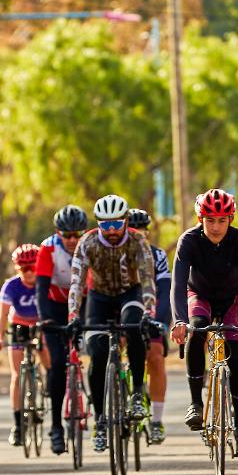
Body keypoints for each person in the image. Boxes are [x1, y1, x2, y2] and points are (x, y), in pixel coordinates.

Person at [172, 188, 238, 460]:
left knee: (237, 359)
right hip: (199, 295)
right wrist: (179, 320)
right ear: (200, 219)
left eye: (222, 220)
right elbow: (178, 283)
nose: (215, 227)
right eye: (209, 220)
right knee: (196, 329)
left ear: (230, 219)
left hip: (235, 298)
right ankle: (195, 403)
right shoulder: (189, 241)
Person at [67, 194, 157, 454]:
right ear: (98, 224)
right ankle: (100, 420)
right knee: (96, 353)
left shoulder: (138, 241)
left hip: (131, 292)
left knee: (134, 326)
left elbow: (147, 278)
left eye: (117, 224)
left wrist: (149, 311)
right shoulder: (87, 242)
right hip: (100, 297)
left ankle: (137, 391)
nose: (112, 230)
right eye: (105, 225)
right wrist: (73, 316)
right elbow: (76, 282)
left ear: (126, 221)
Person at [34, 204, 88, 455]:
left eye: (77, 234)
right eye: (67, 235)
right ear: (58, 233)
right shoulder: (48, 248)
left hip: (84, 303)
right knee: (56, 363)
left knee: (96, 349)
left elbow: (94, 286)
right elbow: (41, 288)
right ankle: (56, 426)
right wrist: (45, 319)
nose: (72, 240)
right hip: (55, 307)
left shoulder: (91, 245)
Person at [0, 244, 45, 446]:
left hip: (41, 324)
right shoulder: (10, 286)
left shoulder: (45, 282)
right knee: (16, 374)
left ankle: (47, 386)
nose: (29, 272)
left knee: (47, 352)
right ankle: (18, 426)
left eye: (33, 267)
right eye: (24, 268)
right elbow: (2, 317)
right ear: (17, 268)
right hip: (19, 325)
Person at [129, 208, 170, 444]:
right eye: (133, 230)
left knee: (155, 356)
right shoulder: (115, 254)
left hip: (150, 312)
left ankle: (156, 420)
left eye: (142, 231)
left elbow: (165, 290)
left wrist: (161, 321)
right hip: (123, 314)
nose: (138, 234)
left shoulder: (157, 255)